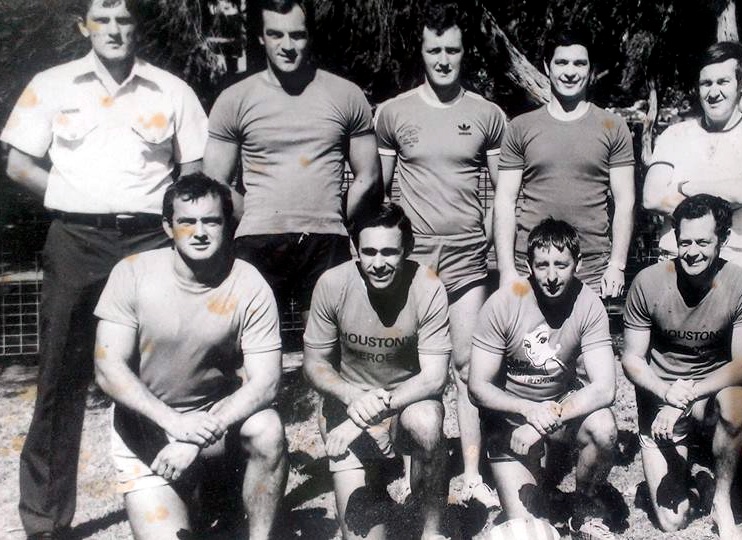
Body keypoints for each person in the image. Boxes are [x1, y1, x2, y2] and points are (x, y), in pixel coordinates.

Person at [0, 0, 208, 536]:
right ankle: (45, 521)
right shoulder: (52, 85)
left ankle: (181, 498)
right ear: (83, 27)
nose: (114, 30)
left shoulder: (171, 91)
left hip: (150, 240)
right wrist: (75, 198)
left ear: (138, 27)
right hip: (77, 240)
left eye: (124, 20)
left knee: (166, 369)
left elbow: (193, 173)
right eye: (103, 19)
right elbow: (19, 164)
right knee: (60, 378)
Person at [93, 174, 287, 539]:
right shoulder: (131, 273)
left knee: (267, 429)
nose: (199, 232)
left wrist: (194, 437)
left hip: (217, 428)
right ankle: (198, 502)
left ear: (227, 225)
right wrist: (174, 423)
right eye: (187, 221)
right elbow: (108, 368)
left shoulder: (249, 282)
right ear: (168, 226)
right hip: (148, 433)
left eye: (211, 221)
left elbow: (266, 382)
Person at [373, 0, 505, 506]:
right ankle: (415, 474)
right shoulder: (393, 113)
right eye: (435, 50)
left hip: (468, 261)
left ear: (464, 52)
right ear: (422, 52)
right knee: (413, 368)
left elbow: (503, 191)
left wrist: (486, 237)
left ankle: (470, 474)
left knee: (468, 366)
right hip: (414, 265)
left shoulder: (487, 114)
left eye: (452, 50)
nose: (444, 59)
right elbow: (381, 196)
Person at [204, 0, 382, 322]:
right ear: (261, 37)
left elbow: (368, 176)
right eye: (276, 34)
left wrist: (334, 216)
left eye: (297, 35)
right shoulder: (234, 99)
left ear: (309, 36)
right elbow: (215, 182)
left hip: (326, 239)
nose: (287, 46)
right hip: (257, 241)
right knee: (255, 340)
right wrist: (255, 216)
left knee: (325, 342)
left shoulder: (346, 95)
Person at [303, 202, 451, 540]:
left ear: (407, 249)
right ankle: (377, 483)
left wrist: (369, 414)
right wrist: (352, 398)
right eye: (368, 252)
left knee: (427, 421)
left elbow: (434, 377)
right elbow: (314, 364)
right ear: (355, 249)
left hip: (404, 408)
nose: (378, 263)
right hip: (350, 407)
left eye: (389, 252)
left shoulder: (427, 285)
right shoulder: (332, 284)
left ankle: (432, 532)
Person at [622, 194, 742, 539]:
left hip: (706, 397)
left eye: (703, 242)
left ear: (723, 239)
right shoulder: (648, 282)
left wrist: (684, 398)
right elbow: (632, 358)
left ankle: (721, 502)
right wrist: (665, 393)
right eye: (685, 242)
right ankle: (699, 476)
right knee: (673, 520)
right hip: (661, 400)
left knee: (737, 400)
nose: (692, 252)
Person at [469, 218, 618, 540]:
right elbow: (477, 387)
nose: (551, 276)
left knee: (603, 427)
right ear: (529, 266)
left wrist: (544, 419)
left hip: (557, 416)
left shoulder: (589, 304)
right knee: (530, 529)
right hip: (512, 423)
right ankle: (530, 479)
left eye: (561, 265)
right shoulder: (503, 303)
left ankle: (583, 509)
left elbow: (605, 387)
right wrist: (527, 410)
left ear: (578, 263)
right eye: (542, 265)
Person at [494, 28, 635, 299]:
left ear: (591, 70)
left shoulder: (614, 126)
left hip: (591, 270)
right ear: (547, 67)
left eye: (579, 63)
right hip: (532, 267)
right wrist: (507, 270)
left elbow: (625, 201)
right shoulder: (521, 127)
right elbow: (505, 201)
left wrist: (617, 265)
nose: (570, 72)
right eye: (561, 62)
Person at [643, 42, 742, 270]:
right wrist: (723, 194)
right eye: (706, 83)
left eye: (723, 82)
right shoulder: (674, 135)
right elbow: (652, 198)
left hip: (731, 264)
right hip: (674, 262)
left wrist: (685, 187)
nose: (714, 93)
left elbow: (740, 193)